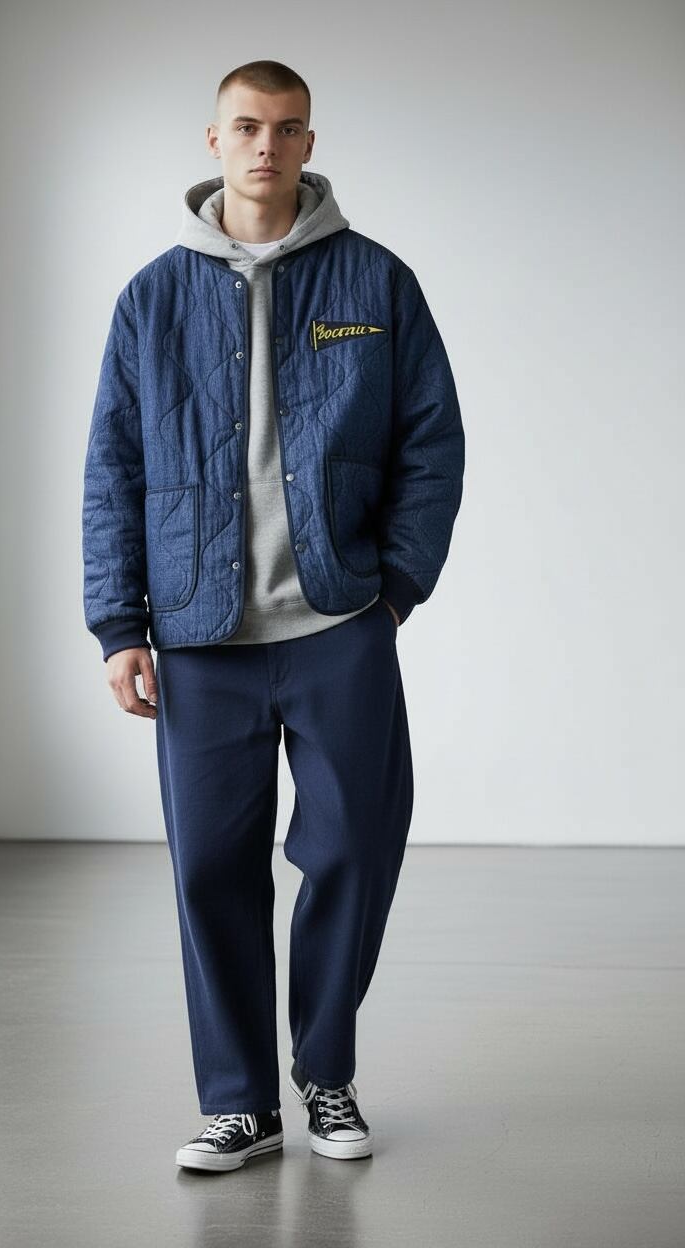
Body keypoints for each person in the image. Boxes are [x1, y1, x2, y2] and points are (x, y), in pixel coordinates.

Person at [82, 60, 465, 1173]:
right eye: (247, 126)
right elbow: (112, 469)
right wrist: (118, 626)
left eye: (287, 128)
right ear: (213, 140)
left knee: (352, 851)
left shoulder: (376, 281)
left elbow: (432, 445)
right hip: (200, 635)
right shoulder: (152, 296)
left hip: (339, 624)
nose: (266, 145)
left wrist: (393, 590)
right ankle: (239, 1103)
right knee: (211, 868)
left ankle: (327, 1075)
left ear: (309, 141)